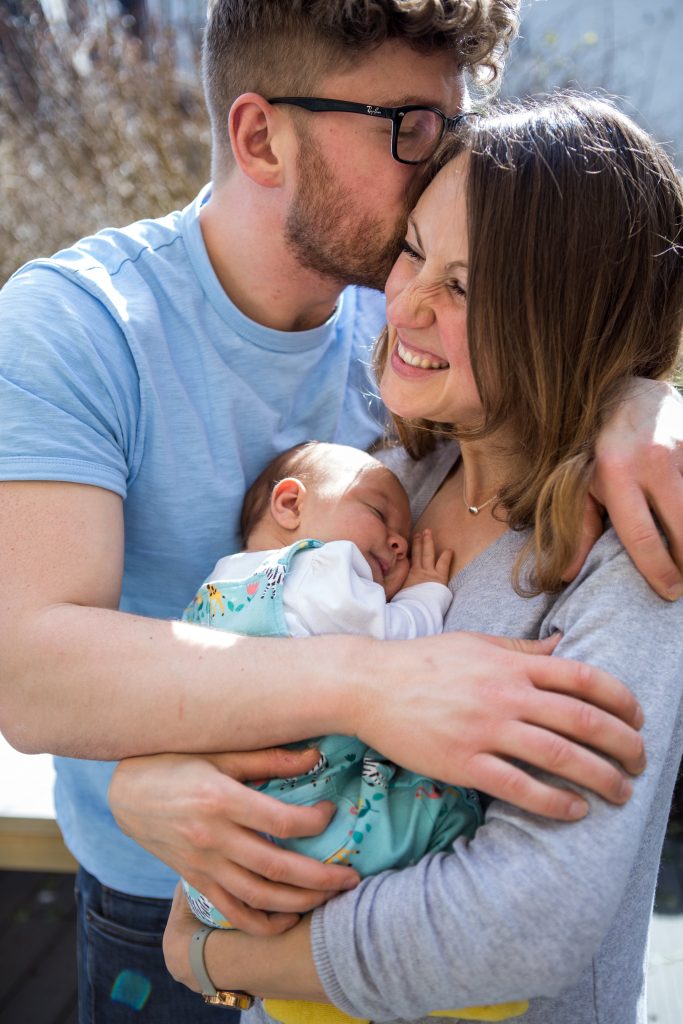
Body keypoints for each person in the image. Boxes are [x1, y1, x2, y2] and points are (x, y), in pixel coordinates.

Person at [0, 1, 681, 1021]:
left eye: (449, 127)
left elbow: (556, 317)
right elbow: (30, 671)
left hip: (353, 937)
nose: (441, 161)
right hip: (158, 892)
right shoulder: (78, 327)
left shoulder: (404, 342)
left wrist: (634, 398)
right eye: (406, 127)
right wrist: (157, 789)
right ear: (259, 135)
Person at [162, 92, 683, 1024]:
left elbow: (526, 921)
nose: (404, 301)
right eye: (413, 252)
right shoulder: (388, 476)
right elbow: (249, 713)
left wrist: (220, 953)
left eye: (465, 286)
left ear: (567, 320)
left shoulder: (629, 554)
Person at [181, 439, 527, 1022]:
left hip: (227, 868)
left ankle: (298, 1000)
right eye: (378, 512)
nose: (398, 537)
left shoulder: (215, 590)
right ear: (290, 505)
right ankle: (471, 988)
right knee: (438, 808)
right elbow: (394, 643)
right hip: (315, 818)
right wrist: (424, 591)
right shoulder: (318, 566)